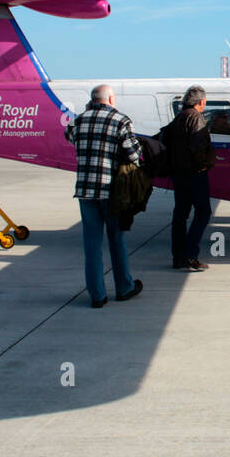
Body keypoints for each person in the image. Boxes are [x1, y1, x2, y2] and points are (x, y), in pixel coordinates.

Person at [65, 84, 143, 308]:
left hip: (85, 190)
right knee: (116, 239)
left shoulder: (79, 120)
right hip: (111, 190)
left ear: (91, 101)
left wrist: (87, 111)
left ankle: (97, 295)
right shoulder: (120, 120)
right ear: (110, 98)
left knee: (91, 244)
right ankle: (124, 287)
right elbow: (134, 154)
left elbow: (69, 136)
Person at [164, 85, 215, 270]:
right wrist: (205, 164)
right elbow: (198, 147)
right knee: (203, 212)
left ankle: (178, 257)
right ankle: (190, 254)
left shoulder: (178, 118)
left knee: (180, 215)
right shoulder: (196, 118)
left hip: (178, 174)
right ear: (201, 102)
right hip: (194, 174)